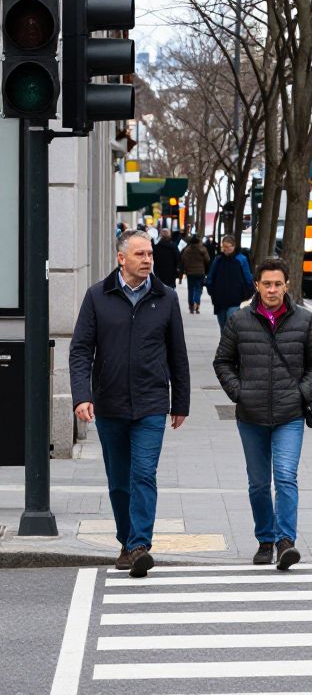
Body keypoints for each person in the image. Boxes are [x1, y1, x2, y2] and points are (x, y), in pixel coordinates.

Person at [68, 230, 190, 578]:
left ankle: (139, 545)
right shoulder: (97, 296)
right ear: (121, 258)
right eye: (139, 254)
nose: (148, 259)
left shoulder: (165, 297)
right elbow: (80, 350)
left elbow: (177, 354)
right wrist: (82, 395)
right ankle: (125, 539)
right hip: (109, 404)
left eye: (149, 253)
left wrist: (180, 401)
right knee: (119, 480)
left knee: (143, 474)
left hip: (152, 403)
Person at [213, 257, 312, 569]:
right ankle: (265, 539)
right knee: (259, 482)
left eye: (278, 284)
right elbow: (222, 361)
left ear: (287, 285)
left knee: (286, 477)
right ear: (257, 286)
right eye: (267, 284)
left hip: (290, 414)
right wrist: (239, 392)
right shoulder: (239, 320)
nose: (272, 289)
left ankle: (285, 541)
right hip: (251, 415)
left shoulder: (303, 320)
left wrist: (302, 393)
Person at [206, 234, 254, 330]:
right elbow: (211, 276)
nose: (225, 249)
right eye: (224, 247)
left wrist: (248, 292)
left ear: (234, 246)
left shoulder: (241, 259)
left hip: (234, 298)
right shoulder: (218, 260)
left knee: (231, 323)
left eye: (228, 247)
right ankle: (225, 344)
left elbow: (247, 277)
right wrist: (211, 291)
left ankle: (230, 344)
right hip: (219, 298)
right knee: (222, 325)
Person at [180, 235, 211, 314]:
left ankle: (191, 306)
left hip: (190, 273)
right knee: (198, 289)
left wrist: (184, 269)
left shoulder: (187, 250)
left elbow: (183, 260)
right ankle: (196, 304)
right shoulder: (202, 249)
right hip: (200, 272)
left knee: (190, 289)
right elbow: (208, 260)